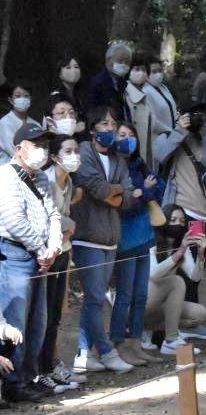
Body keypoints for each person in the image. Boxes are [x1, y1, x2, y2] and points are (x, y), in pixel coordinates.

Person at [71, 106, 137, 375]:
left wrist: (115, 194)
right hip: (87, 237)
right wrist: (115, 192)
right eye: (104, 124)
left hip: (111, 236)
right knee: (96, 296)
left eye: (112, 124)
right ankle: (107, 351)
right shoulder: (84, 152)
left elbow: (130, 196)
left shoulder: (119, 159)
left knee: (94, 300)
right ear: (92, 129)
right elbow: (96, 188)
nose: (109, 129)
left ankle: (83, 354)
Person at [0, 122, 63, 401]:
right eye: (36, 145)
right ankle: (12, 383)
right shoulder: (5, 176)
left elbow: (54, 215)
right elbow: (13, 219)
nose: (42, 151)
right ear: (19, 149)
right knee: (16, 322)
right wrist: (40, 247)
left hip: (42, 257)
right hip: (14, 254)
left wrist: (53, 247)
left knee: (39, 319)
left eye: (46, 146)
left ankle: (29, 376)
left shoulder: (43, 179)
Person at [153, 103, 206, 304]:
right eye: (195, 116)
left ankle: (186, 313)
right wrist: (179, 130)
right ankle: (182, 314)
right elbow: (160, 155)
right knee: (183, 263)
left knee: (197, 263)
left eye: (205, 118)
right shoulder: (172, 137)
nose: (201, 121)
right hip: (183, 212)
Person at [109, 122, 165, 367]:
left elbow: (157, 189)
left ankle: (136, 343)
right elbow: (123, 201)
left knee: (141, 294)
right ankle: (118, 345)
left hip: (144, 234)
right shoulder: (112, 166)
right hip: (124, 237)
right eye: (122, 135)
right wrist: (143, 190)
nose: (127, 139)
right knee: (124, 295)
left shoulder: (139, 164)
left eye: (132, 135)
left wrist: (144, 192)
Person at [37, 130, 85, 389]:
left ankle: (51, 365)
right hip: (46, 253)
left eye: (76, 151)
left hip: (63, 251)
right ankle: (39, 370)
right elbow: (47, 218)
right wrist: (68, 224)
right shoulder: (46, 181)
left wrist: (67, 225)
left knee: (56, 313)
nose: (73, 155)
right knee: (42, 314)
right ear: (54, 156)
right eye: (67, 151)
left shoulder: (68, 183)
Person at [144, 205, 206, 355]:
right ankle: (171, 340)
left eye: (182, 221)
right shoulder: (151, 241)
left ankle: (152, 329)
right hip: (144, 301)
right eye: (173, 220)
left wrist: (201, 254)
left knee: (200, 313)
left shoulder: (181, 245)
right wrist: (179, 252)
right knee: (176, 281)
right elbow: (154, 275)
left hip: (163, 305)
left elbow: (195, 277)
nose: (178, 224)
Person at [123, 53, 166, 168]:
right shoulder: (126, 96)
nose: (141, 73)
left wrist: (170, 131)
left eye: (143, 70)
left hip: (148, 152)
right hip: (134, 154)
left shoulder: (143, 95)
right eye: (136, 69)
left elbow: (154, 122)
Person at [84, 41, 132, 115]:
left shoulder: (123, 83)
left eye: (127, 62)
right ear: (108, 60)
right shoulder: (98, 83)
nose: (124, 65)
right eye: (120, 61)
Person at [0, 82, 42, 165]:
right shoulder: (4, 123)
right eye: (18, 96)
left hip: (32, 167)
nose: (22, 99)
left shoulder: (35, 124)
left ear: (31, 99)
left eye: (26, 96)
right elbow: (13, 150)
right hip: (8, 168)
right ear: (11, 100)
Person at [143, 55, 179, 139]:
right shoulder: (145, 92)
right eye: (154, 71)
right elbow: (152, 121)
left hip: (174, 135)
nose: (158, 74)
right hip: (159, 139)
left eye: (160, 71)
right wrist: (169, 131)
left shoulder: (163, 87)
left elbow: (172, 108)